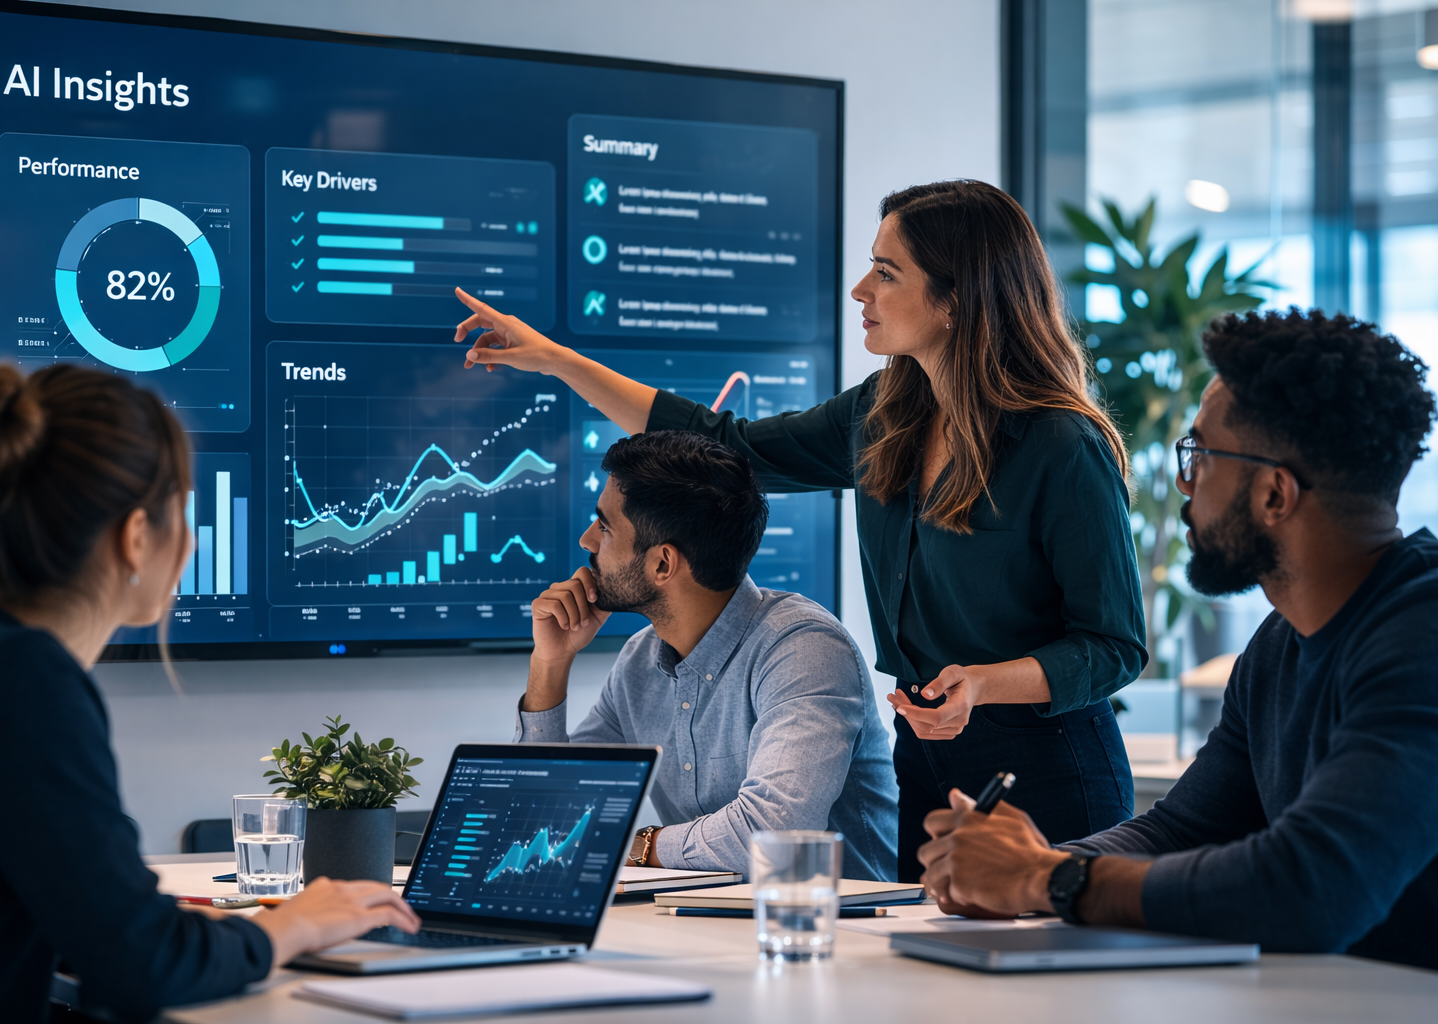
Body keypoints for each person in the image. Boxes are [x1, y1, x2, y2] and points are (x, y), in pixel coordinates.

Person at [455, 179, 1146, 879]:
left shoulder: (1062, 446)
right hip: (928, 755)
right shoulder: (882, 414)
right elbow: (727, 445)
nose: (860, 290)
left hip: (1047, 766)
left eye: (886, 273)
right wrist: (556, 360)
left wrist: (983, 684)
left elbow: (1114, 646)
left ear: (956, 299)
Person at [912, 309, 1438, 974]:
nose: (1182, 482)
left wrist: (1045, 879)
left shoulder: (1433, 637)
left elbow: (1312, 888)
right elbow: (1182, 830)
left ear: (1275, 495)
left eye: (1200, 455)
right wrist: (1018, 867)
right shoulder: (1281, 642)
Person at [0, 365, 422, 1023]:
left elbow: (69, 911)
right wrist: (292, 926)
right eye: (183, 513)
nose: (188, 545)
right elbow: (143, 964)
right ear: (134, 537)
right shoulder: (23, 681)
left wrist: (177, 926)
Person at [512, 430, 898, 880]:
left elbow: (773, 834)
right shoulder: (639, 662)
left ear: (662, 564)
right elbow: (546, 823)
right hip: (695, 915)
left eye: (605, 527)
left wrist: (636, 846)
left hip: (830, 919)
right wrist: (550, 664)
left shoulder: (804, 650)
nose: (587, 541)